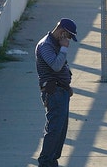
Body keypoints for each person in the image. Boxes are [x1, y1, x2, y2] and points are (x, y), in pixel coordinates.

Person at [35, 18, 77, 167]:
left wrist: (67, 85)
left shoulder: (55, 44)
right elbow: (56, 66)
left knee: (61, 130)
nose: (69, 40)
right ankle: (45, 162)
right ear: (62, 32)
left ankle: (52, 160)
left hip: (61, 91)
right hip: (54, 92)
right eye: (69, 36)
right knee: (54, 129)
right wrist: (64, 48)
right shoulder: (45, 45)